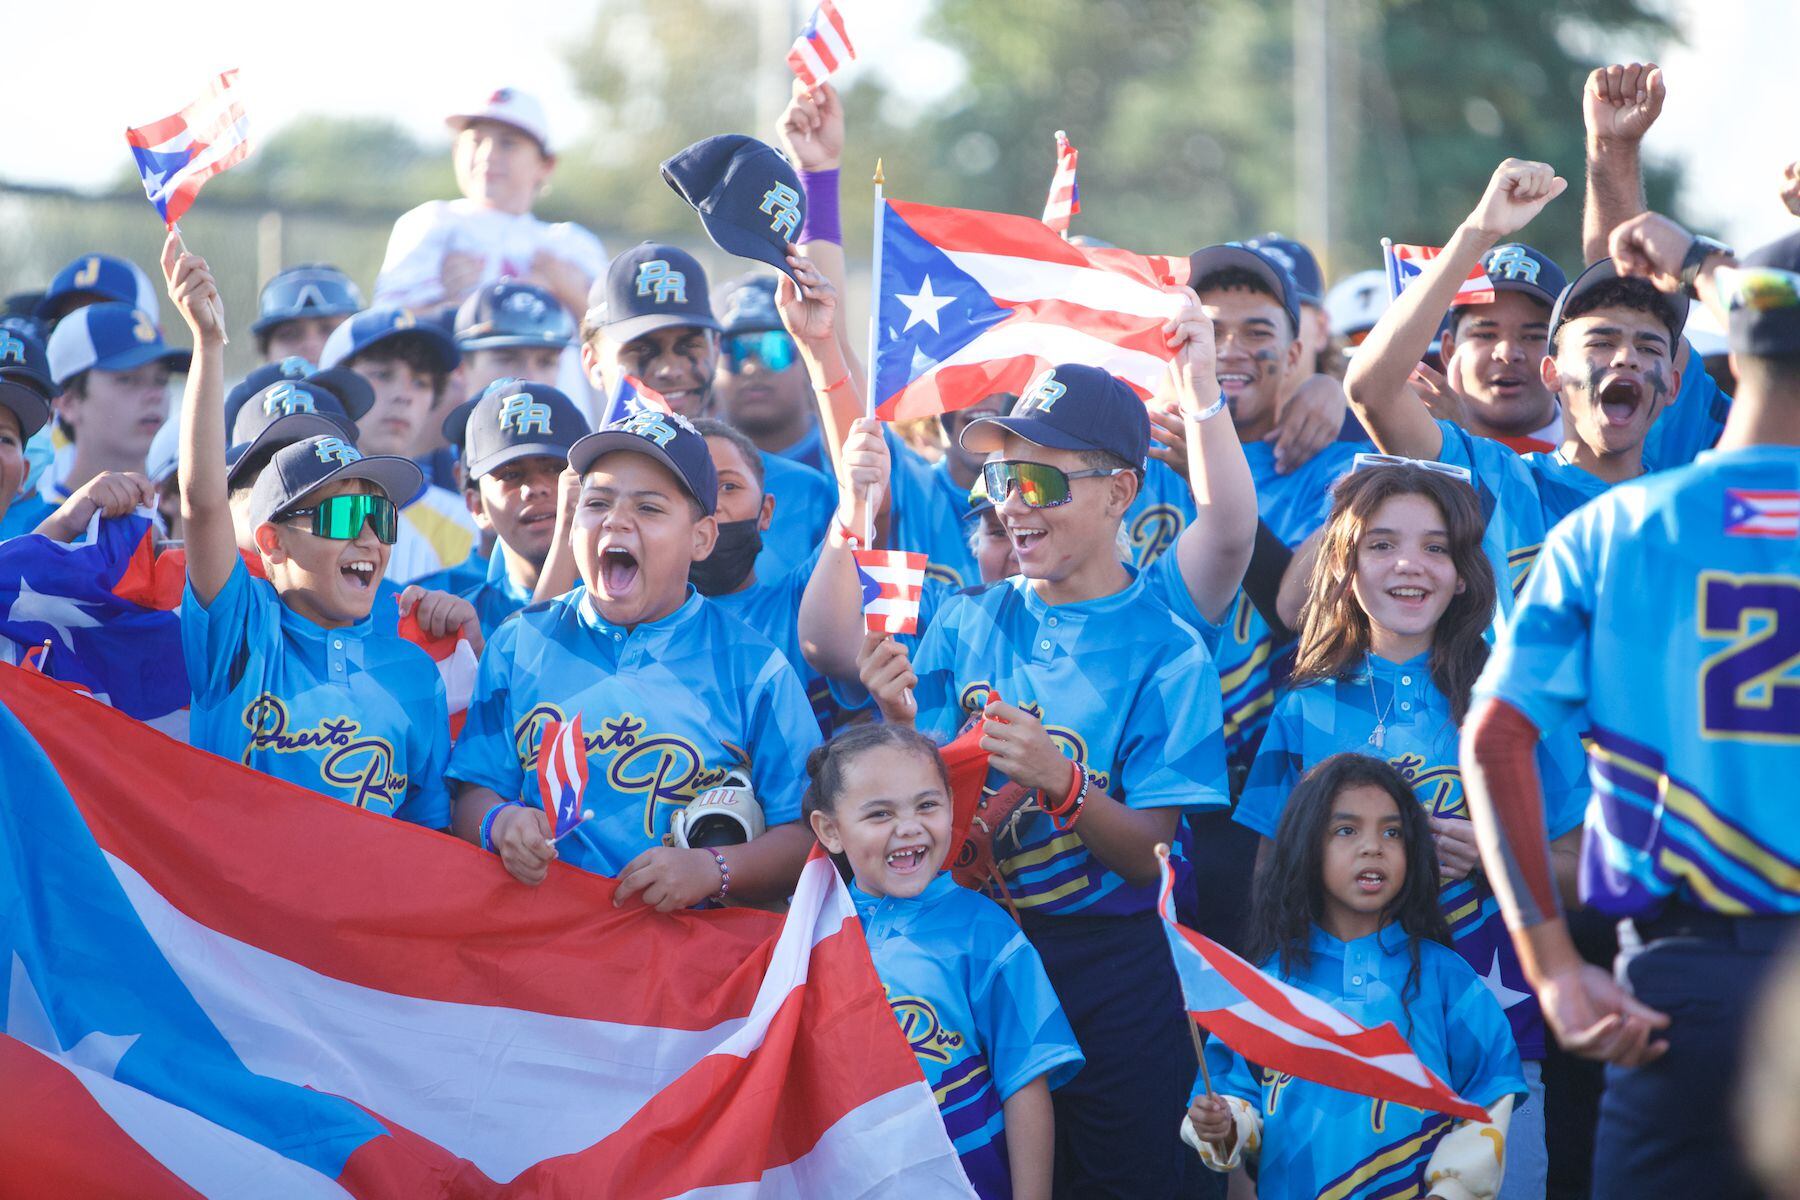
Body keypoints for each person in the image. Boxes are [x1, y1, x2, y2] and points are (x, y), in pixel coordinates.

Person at [1462, 210, 1800, 1200]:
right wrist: (1699, 263)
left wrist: (1554, 964)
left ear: (1723, 354)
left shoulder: (1617, 527)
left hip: (1677, 983)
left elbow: (1494, 738)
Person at [857, 359, 1232, 1196]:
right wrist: (901, 726)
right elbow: (929, 809)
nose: (1013, 503)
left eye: (1041, 480)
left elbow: (1155, 860)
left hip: (1115, 973)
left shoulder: (1171, 651)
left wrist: (1064, 784)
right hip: (977, 950)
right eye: (999, 476)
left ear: (1120, 490)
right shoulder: (968, 615)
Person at [1236, 462, 1589, 1199]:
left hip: (1494, 1038)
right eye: (1382, 544)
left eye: (1436, 547)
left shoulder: (1516, 703)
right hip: (1334, 1045)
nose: (1409, 565)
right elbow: (1270, 887)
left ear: (1465, 573)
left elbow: (1583, 869)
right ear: (1346, 561)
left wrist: (1494, 860)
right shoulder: (1304, 710)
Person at [446, 407, 818, 908]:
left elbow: (805, 833)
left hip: (695, 966)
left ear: (701, 537)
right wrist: (500, 823)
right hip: (545, 954)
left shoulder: (754, 665)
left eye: (649, 508)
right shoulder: (519, 643)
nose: (616, 520)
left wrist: (713, 870)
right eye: (597, 502)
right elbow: (472, 790)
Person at [164, 234, 453, 826]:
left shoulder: (416, 671)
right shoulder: (241, 635)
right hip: (236, 921)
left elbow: (435, 850)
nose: (370, 537)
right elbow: (201, 503)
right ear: (271, 542)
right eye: (344, 516)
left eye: (380, 516)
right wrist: (208, 345)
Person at [1345, 158, 1686, 609]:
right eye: (1601, 342)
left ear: (1674, 385)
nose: (1625, 358)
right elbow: (1372, 389)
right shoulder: (1496, 481)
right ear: (1553, 372)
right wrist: (1477, 232)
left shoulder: (1690, 508)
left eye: (1648, 348)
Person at [1187, 753, 1526, 1199]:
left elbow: (1488, 1097)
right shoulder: (1264, 989)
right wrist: (1221, 1123)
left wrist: (1454, 1192)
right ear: (1307, 848)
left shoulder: (1449, 981)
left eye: (1392, 832)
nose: (1373, 846)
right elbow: (1235, 1099)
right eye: (1346, 830)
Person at [803, 724, 1083, 1200]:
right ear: (830, 830)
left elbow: (1025, 1084)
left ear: (953, 806)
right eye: (879, 813)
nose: (909, 826)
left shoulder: (986, 933)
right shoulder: (810, 931)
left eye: (927, 805)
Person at [579, 242, 834, 583]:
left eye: (689, 346)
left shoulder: (803, 493)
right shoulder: (560, 495)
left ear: (715, 349)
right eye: (642, 348)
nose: (670, 369)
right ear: (592, 362)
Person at [373, 86, 603, 407]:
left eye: (508, 143)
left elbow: (617, 346)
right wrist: (453, 305)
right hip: (453, 425)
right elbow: (379, 336)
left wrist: (569, 292)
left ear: (545, 165)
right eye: (476, 140)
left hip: (561, 425)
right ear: (456, 151)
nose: (488, 154)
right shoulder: (432, 224)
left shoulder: (571, 243)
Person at [321, 306, 480, 583]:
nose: (404, 396)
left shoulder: (468, 525)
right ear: (334, 385)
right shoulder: (298, 515)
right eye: (383, 375)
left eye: (421, 382)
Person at [430, 380, 589, 636]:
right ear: (477, 505)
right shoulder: (450, 625)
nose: (535, 488)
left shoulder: (635, 603)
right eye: (511, 474)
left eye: (554, 468)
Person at [22, 303, 190, 535]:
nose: (154, 395)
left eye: (161, 380)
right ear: (69, 402)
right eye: (128, 379)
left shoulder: (184, 512)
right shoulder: (34, 529)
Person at [711, 275, 823, 469]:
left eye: (773, 349)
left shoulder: (850, 455)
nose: (752, 368)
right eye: (734, 349)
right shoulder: (687, 462)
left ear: (807, 359)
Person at [250, 265, 364, 366]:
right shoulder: (245, 390)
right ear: (266, 353)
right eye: (290, 334)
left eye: (330, 330)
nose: (311, 344)